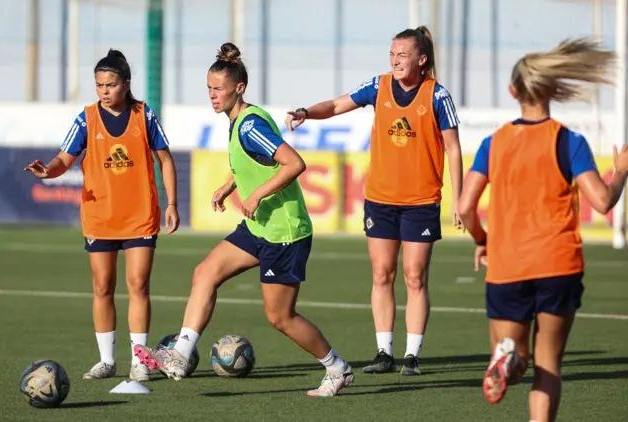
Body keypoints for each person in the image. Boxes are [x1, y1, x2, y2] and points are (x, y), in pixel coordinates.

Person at [134, 42, 354, 397]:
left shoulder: (250, 124)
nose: (212, 95)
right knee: (205, 272)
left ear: (239, 88)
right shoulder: (239, 120)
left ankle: (337, 368)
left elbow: (294, 164)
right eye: (208, 88)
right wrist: (230, 184)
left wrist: (254, 195)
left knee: (280, 317)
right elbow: (256, 161)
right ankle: (180, 354)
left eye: (218, 88)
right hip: (258, 228)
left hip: (284, 231)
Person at [458, 37, 628, 422]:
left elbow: (466, 206)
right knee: (549, 366)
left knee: (516, 357)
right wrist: (619, 172)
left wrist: (483, 241)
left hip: (507, 266)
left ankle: (508, 357)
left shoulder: (493, 143)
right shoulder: (569, 141)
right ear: (553, 88)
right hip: (558, 264)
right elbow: (603, 201)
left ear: (512, 92)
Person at [285, 26, 463, 375]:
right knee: (382, 273)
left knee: (414, 276)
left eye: (403, 55)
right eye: (392, 54)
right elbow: (337, 104)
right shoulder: (378, 86)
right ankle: (384, 353)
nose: (396, 61)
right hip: (380, 199)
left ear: (421, 59)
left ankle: (412, 355)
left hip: (421, 201)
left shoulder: (437, 96)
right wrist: (307, 111)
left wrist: (459, 199)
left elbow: (453, 149)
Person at [25, 49, 180, 382]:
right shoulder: (86, 118)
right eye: (99, 85)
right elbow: (62, 160)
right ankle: (106, 361)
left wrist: (171, 205)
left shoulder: (144, 115)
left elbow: (166, 160)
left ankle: (140, 361)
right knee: (102, 287)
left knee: (139, 285)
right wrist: (46, 171)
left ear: (126, 83)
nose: (104, 91)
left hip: (140, 216)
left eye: (110, 84)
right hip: (100, 218)